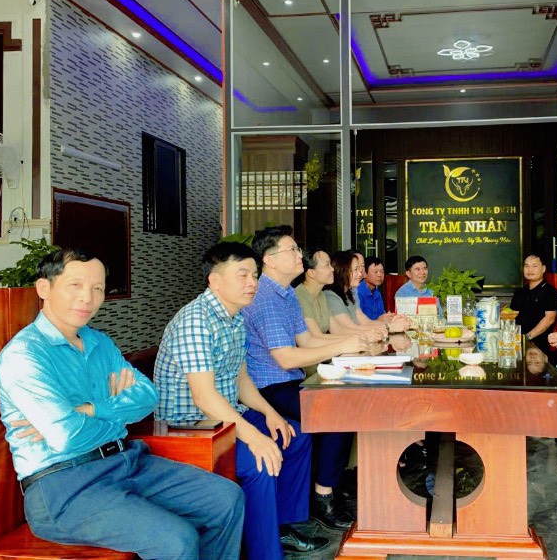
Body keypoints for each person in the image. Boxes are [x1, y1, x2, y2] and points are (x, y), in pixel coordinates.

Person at [0, 249, 244, 559]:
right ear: (44, 288)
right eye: (75, 285)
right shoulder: (25, 355)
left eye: (98, 288)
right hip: (64, 486)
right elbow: (66, 436)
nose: (87, 297)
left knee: (226, 498)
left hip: (126, 461)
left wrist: (90, 409)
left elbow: (147, 397)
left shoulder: (100, 343)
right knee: (176, 541)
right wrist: (114, 410)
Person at [154, 242, 326, 558]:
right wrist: (255, 437)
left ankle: (281, 527)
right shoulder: (196, 320)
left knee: (296, 436)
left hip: (225, 418)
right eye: (242, 275)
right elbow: (204, 397)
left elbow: (241, 379)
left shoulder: (234, 319)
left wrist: (269, 413)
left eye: (255, 275)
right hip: (189, 429)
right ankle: (265, 552)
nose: (252, 282)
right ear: (215, 281)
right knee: (260, 460)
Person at [242, 226, 367, 531]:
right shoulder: (266, 298)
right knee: (336, 411)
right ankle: (323, 496)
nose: (300, 255)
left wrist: (352, 343)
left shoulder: (286, 294)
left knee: (344, 400)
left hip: (289, 381)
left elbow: (307, 341)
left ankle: (329, 487)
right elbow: (285, 358)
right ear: (269, 260)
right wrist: (343, 345)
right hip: (267, 388)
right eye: (293, 250)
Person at [327, 251, 408, 335]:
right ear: (343, 271)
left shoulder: (348, 294)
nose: (360, 273)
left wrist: (393, 323)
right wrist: (390, 327)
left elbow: (365, 322)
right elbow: (351, 328)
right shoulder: (331, 296)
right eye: (356, 269)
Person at [510, 253, 557, 353]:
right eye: (527, 266)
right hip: (517, 344)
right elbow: (513, 316)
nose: (530, 270)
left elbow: (549, 319)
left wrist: (527, 337)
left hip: (540, 346)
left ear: (543, 269)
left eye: (534, 266)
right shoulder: (519, 292)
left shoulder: (551, 292)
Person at [358, 256, 388, 320]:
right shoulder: (357, 293)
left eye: (382, 271)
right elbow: (358, 322)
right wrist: (379, 320)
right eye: (375, 272)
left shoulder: (377, 293)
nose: (379, 275)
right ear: (364, 274)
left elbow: (382, 315)